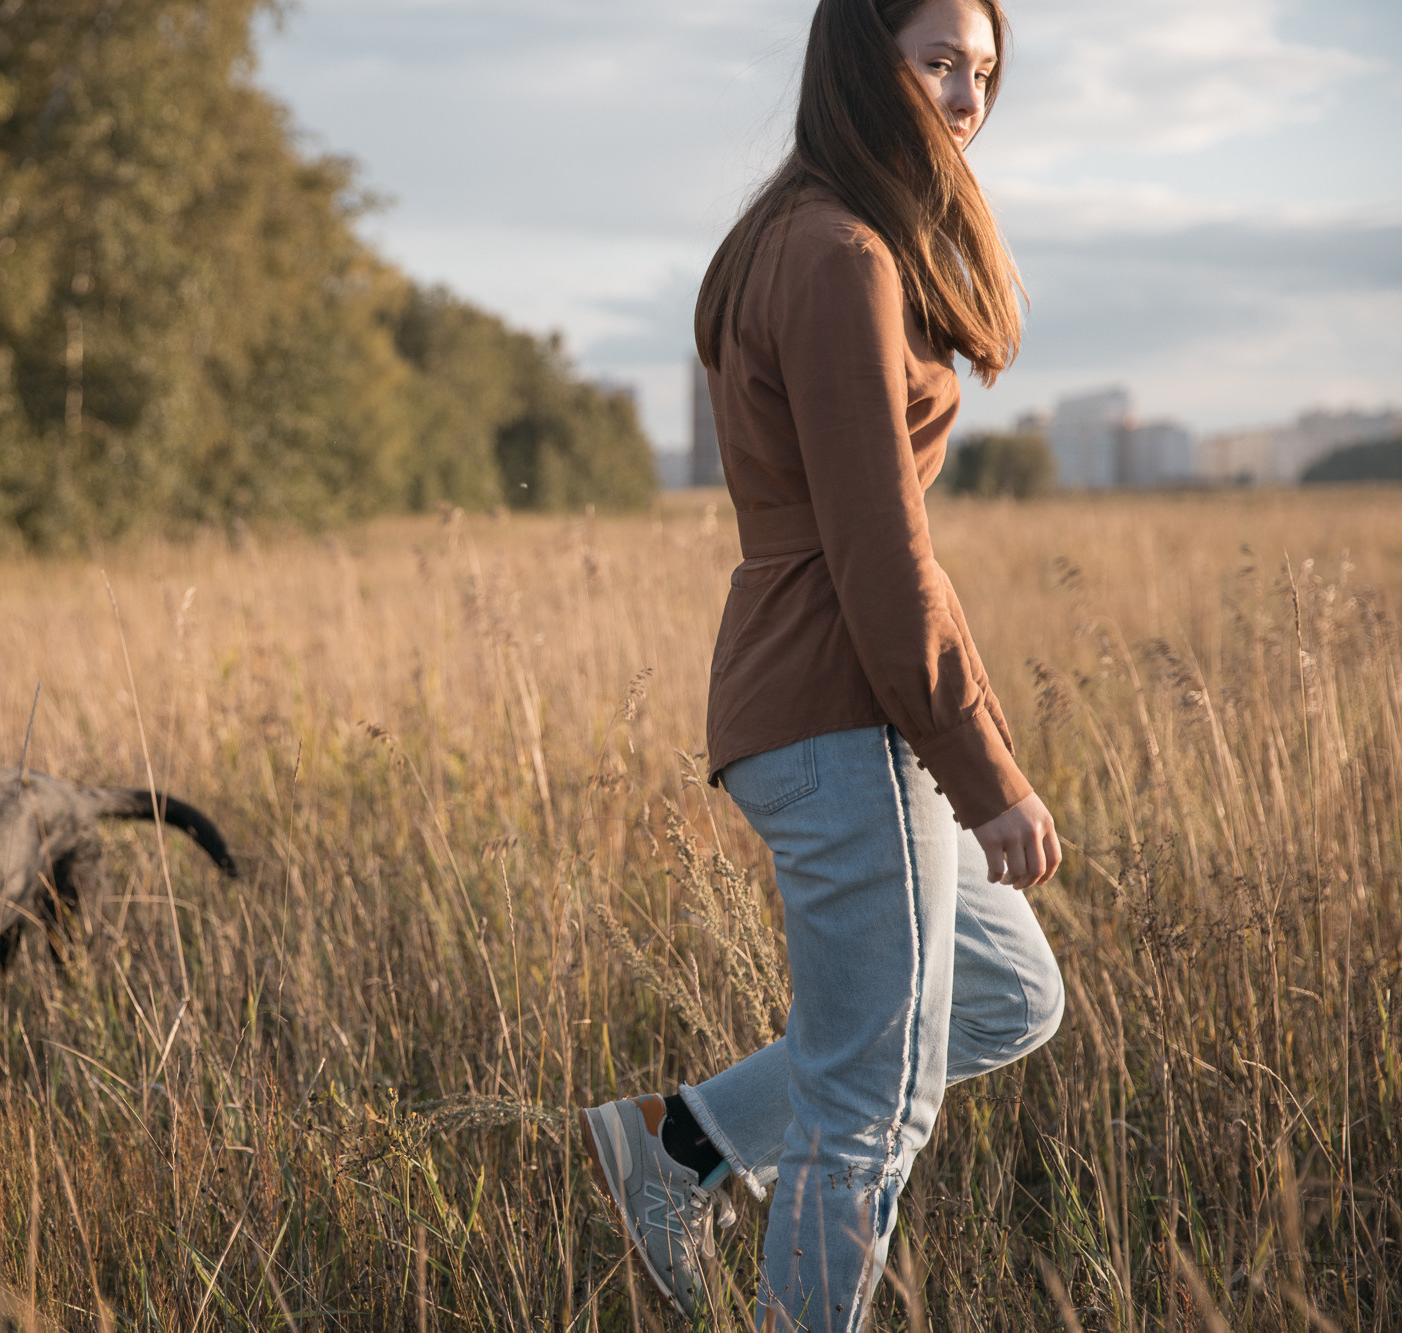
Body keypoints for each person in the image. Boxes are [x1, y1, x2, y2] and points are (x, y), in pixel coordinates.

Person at [578, 0, 1065, 1327]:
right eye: (938, 63)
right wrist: (988, 771)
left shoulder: (811, 234)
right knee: (870, 1108)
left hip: (833, 705)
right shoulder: (840, 255)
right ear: (866, 61)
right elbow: (877, 553)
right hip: (844, 710)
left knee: (1014, 990)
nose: (968, 96)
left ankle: (682, 1143)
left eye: (984, 71)